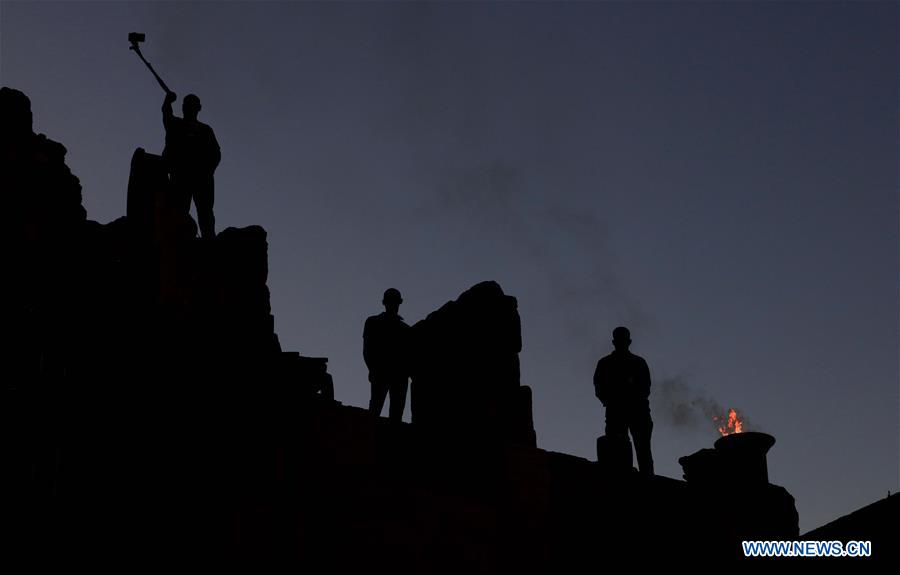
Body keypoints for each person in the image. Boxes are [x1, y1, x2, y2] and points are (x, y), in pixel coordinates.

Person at [593, 326, 654, 476]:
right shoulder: (606, 363)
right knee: (617, 450)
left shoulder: (637, 363)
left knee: (643, 450)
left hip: (636, 411)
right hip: (618, 411)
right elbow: (599, 387)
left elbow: (645, 388)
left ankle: (646, 481)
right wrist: (611, 400)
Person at [162, 91, 220, 239]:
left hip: (201, 178)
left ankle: (208, 241)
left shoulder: (206, 130)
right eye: (186, 105)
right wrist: (168, 101)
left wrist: (207, 171)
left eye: (191, 105)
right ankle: (179, 240)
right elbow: (167, 115)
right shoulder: (176, 124)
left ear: (198, 108)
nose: (187, 108)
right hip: (181, 176)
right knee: (179, 211)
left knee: (205, 213)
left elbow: (216, 154)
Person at [363, 288, 410, 422]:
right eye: (391, 301)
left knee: (395, 415)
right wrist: (373, 369)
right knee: (375, 411)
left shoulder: (405, 329)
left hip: (398, 375)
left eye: (395, 301)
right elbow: (368, 349)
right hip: (381, 372)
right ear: (385, 303)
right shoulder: (373, 322)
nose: (393, 304)